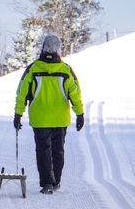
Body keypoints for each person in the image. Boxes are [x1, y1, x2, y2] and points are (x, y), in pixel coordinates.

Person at [13, 33, 84, 194]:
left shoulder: (33, 69)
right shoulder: (65, 70)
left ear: (43, 48)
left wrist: (18, 114)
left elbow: (22, 93)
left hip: (40, 118)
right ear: (59, 50)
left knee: (43, 150)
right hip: (60, 118)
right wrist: (80, 114)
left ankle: (47, 184)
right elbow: (75, 93)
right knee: (58, 150)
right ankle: (56, 181)